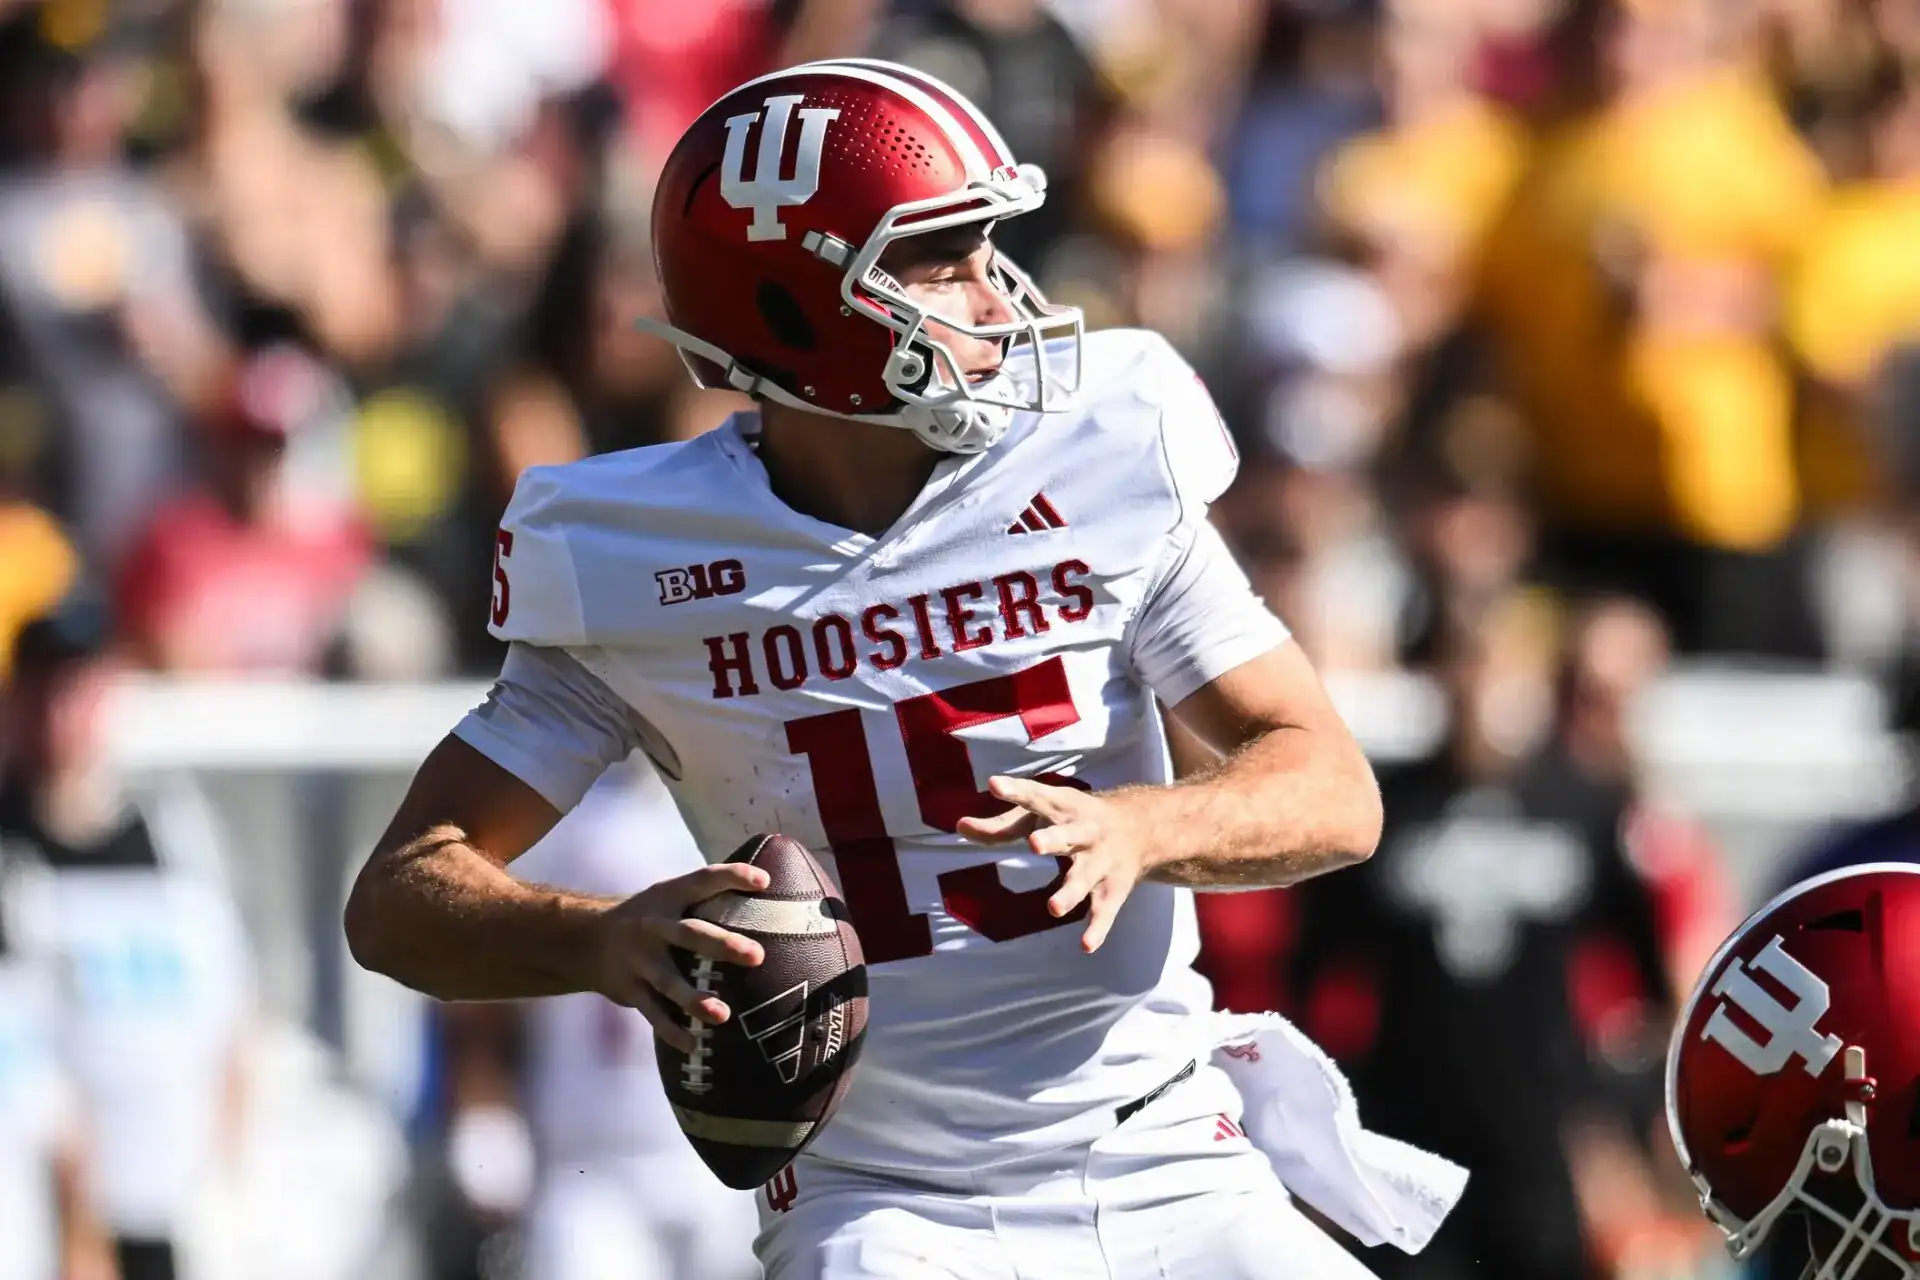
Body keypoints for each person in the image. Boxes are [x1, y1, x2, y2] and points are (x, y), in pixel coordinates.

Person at [347, 58, 1451, 1280]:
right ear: (790, 308)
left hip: (1168, 1149)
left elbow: (1331, 786)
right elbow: (401, 892)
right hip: (884, 1203)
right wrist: (598, 938)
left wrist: (1147, 823)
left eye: (989, 245)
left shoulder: (1101, 457)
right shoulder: (635, 561)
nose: (996, 292)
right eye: (940, 257)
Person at [0, 595, 255, 1280]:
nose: (60, 714)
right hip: (43, 1219)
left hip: (172, 1202)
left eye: (76, 688)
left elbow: (231, 1013)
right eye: (43, 690)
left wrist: (226, 1184)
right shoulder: (11, 856)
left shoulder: (175, 837)